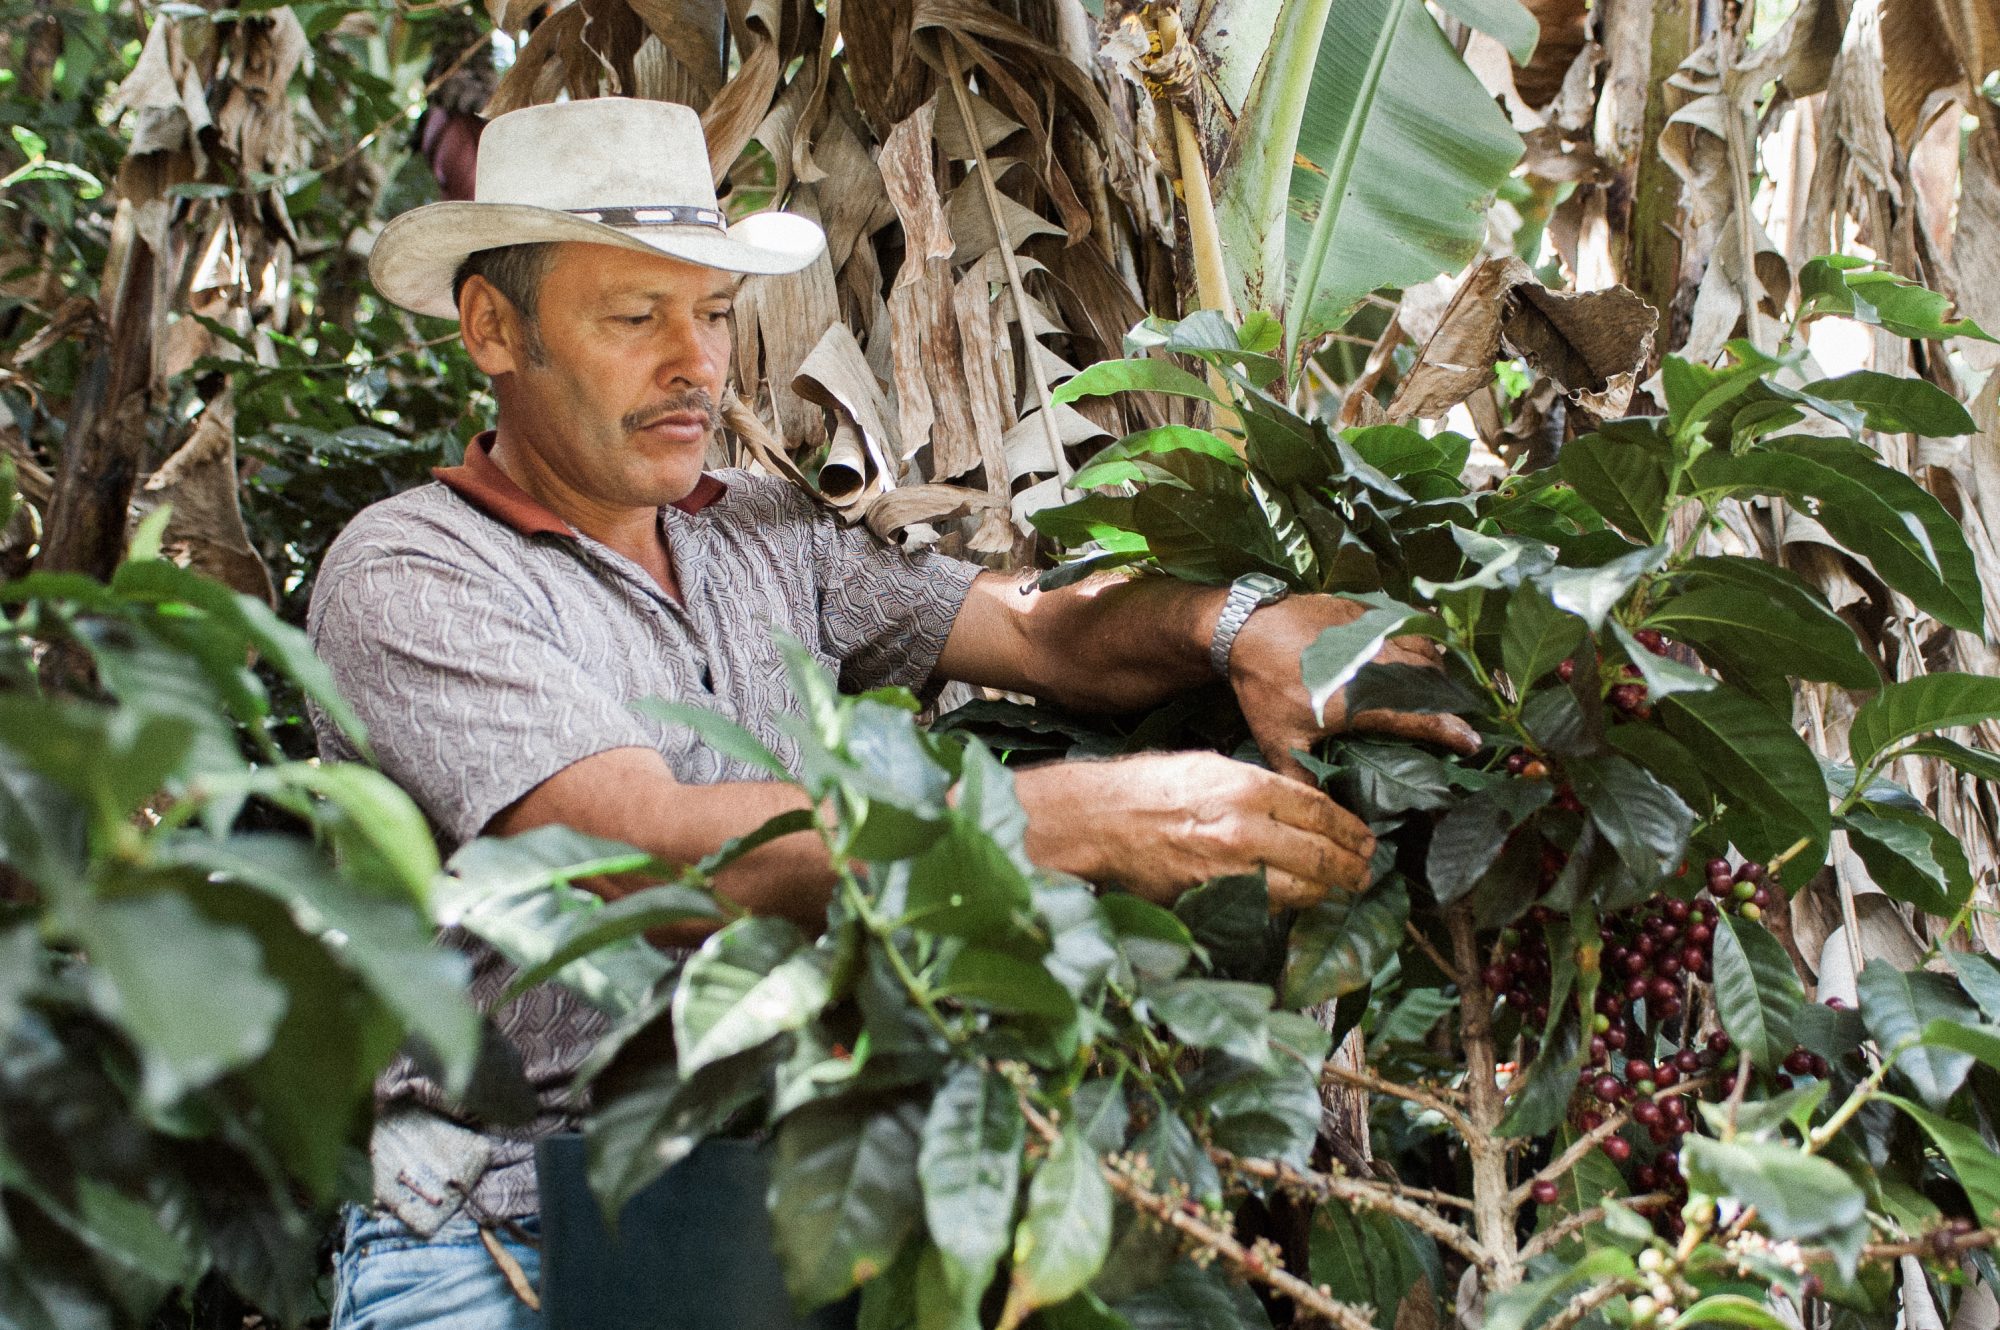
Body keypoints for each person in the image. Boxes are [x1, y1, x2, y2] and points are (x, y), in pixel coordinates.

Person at [310, 96, 1476, 1329]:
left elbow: (1029, 627)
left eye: (709, 313)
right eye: (632, 316)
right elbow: (634, 850)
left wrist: (1235, 624)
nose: (695, 364)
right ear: (494, 328)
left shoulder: (756, 532)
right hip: (505, 1239)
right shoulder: (415, 573)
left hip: (780, 1209)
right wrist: (1074, 815)